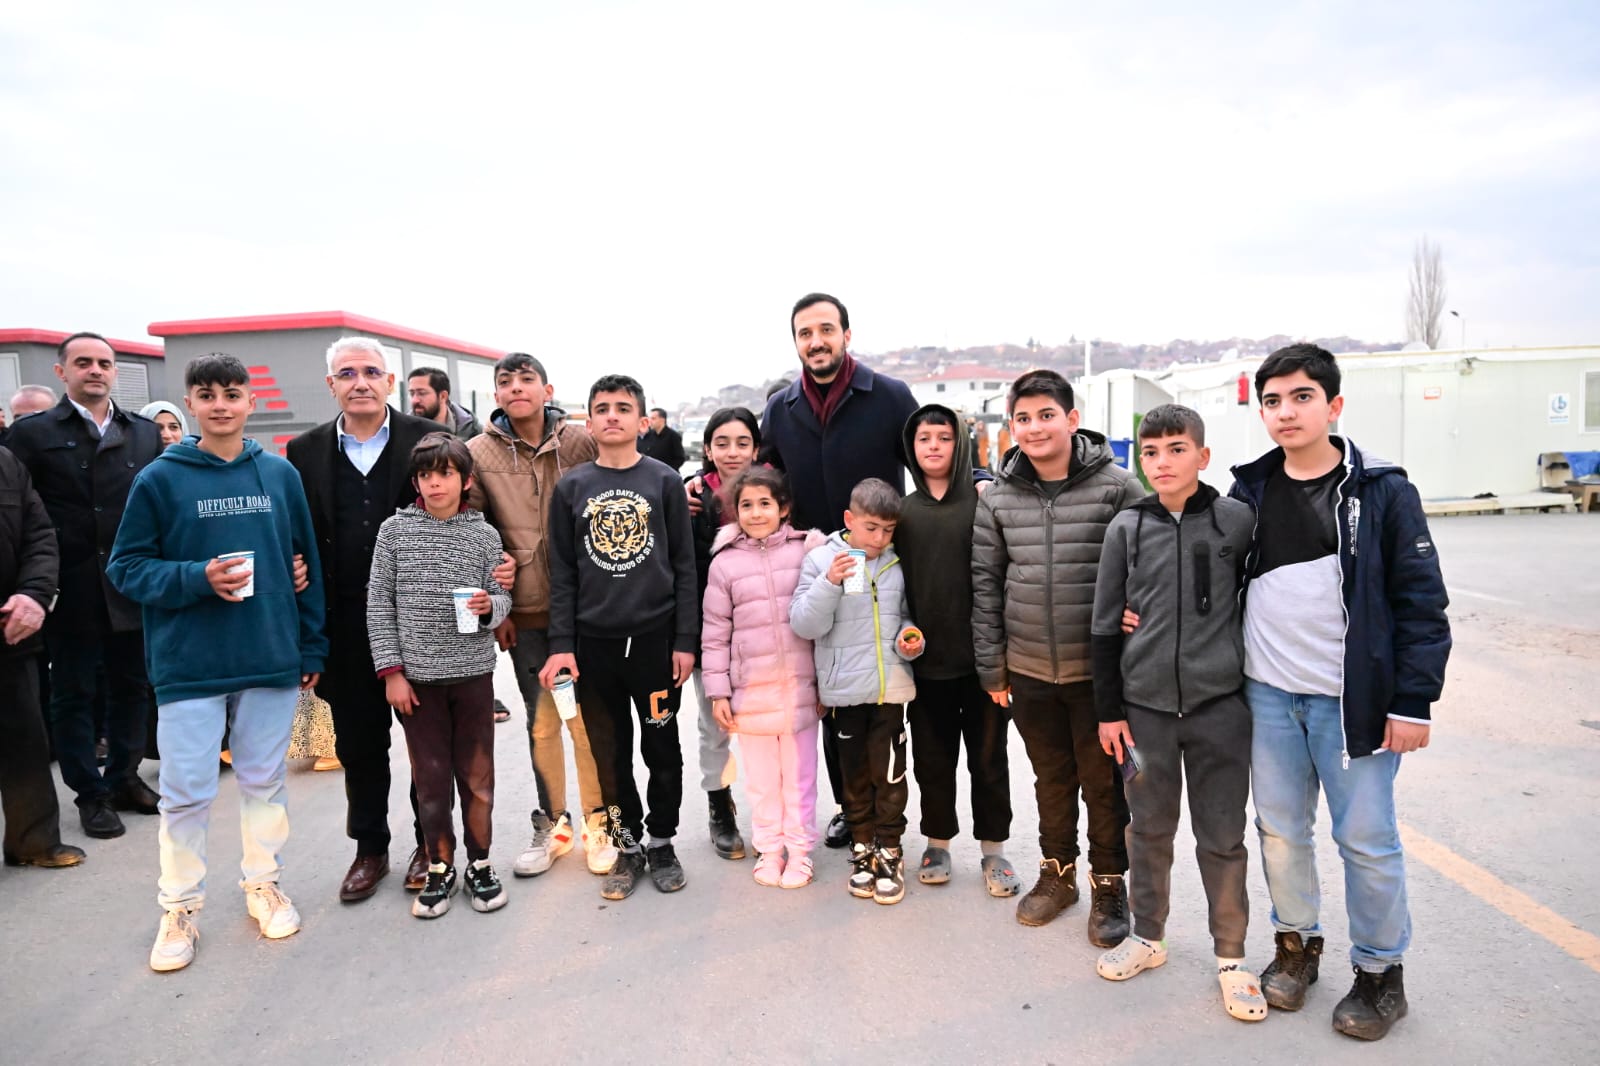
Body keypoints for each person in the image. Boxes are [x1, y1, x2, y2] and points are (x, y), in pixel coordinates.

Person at [1227, 344, 1450, 1040]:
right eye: (1272, 400)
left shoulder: (1382, 491)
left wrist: (1413, 702)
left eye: (1300, 397)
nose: (1285, 412)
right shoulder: (1249, 492)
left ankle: (1381, 974)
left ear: (1334, 406)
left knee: (1367, 840)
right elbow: (1210, 575)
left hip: (1353, 704)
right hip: (1269, 696)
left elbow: (1421, 603)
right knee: (1281, 835)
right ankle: (1296, 949)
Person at [107, 353, 326, 973]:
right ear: (191, 403)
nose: (222, 404)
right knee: (186, 794)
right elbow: (125, 568)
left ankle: (263, 882)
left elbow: (305, 565)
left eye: (233, 393)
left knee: (264, 783)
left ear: (250, 402)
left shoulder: (279, 476)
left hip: (268, 657)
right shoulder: (159, 479)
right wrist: (197, 578)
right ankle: (179, 906)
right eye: (207, 394)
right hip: (189, 665)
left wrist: (310, 645)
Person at [287, 336, 509, 902]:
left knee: (428, 752)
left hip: (429, 633)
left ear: (389, 381)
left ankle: (427, 849)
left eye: (371, 371)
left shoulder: (424, 442)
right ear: (330, 384)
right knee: (360, 748)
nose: (359, 381)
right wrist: (291, 565)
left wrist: (500, 574)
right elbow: (296, 527)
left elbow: (473, 513)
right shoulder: (305, 450)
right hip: (344, 625)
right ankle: (369, 849)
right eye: (346, 373)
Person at [1089, 404, 1264, 1022]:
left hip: (1220, 709)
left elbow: (1263, 597)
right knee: (1148, 830)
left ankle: (1232, 959)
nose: (1163, 463)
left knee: (1223, 836)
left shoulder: (1237, 521)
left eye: (1177, 449)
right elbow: (1104, 625)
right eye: (1152, 452)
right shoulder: (1126, 529)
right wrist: (1110, 713)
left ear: (1203, 456)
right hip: (1145, 714)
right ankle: (1148, 936)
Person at [971, 368, 1142, 944]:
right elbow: (986, 585)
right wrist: (993, 666)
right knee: (1050, 778)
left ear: (1072, 419)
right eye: (1023, 417)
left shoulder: (1117, 487)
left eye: (1047, 415)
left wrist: (1136, 610)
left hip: (1099, 672)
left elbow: (1151, 559)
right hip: (1028, 668)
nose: (1035, 427)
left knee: (1103, 783)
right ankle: (1058, 873)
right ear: (1011, 426)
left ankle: (1109, 883)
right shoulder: (997, 497)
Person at [758, 292, 919, 850]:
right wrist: (704, 487)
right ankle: (853, 811)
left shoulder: (890, 396)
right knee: (833, 696)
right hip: (822, 571)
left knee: (886, 697)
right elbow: (766, 482)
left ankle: (889, 814)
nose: (816, 341)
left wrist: (978, 482)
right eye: (805, 333)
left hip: (882, 565)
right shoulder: (780, 409)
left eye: (826, 329)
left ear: (847, 335)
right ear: (796, 342)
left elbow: (930, 457)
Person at [539, 374, 698, 901]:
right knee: (609, 755)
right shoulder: (573, 488)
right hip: (594, 648)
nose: (612, 415)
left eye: (623, 407)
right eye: (602, 408)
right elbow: (561, 572)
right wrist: (562, 643)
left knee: (662, 749)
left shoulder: (663, 481)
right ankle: (628, 845)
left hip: (654, 644)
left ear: (642, 420)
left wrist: (685, 639)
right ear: (588, 421)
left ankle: (662, 840)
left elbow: (683, 565)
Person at [464, 352, 614, 880]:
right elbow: (475, 534)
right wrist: (496, 607)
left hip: (589, 606)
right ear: (497, 395)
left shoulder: (579, 441)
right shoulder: (477, 452)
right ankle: (553, 823)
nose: (515, 388)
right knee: (543, 722)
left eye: (526, 379)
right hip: (525, 609)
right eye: (505, 381)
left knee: (588, 723)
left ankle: (602, 824)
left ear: (546, 389)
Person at [7, 332, 163, 839]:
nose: (95, 370)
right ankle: (90, 794)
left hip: (129, 582)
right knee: (73, 693)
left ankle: (123, 778)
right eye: (83, 362)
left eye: (104, 363)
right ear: (62, 372)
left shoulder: (141, 432)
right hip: (69, 584)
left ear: (115, 371)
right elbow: (19, 511)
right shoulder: (33, 434)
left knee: (132, 687)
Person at [368, 433, 512, 918]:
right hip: (418, 682)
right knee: (430, 780)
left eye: (446, 473)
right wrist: (392, 673)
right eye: (426, 475)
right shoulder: (394, 532)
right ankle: (439, 865)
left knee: (477, 778)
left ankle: (481, 862)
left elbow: (502, 596)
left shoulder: (484, 534)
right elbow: (378, 605)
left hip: (473, 676)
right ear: (416, 482)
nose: (435, 483)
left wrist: (491, 606)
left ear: (465, 480)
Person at [896, 404, 1018, 896]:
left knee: (989, 760)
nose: (932, 446)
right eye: (923, 438)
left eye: (943, 438)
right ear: (911, 448)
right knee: (932, 760)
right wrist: (904, 630)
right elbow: (893, 586)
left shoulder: (985, 501)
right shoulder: (903, 513)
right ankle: (937, 842)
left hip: (984, 663)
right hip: (926, 665)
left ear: (960, 443)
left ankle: (995, 851)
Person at [790, 477, 922, 905]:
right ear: (849, 520)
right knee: (854, 778)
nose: (880, 539)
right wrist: (829, 581)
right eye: (871, 528)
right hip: (844, 694)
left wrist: (911, 638)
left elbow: (904, 617)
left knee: (890, 775)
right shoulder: (821, 559)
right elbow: (805, 625)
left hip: (889, 689)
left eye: (888, 530)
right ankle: (862, 846)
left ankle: (890, 848)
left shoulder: (896, 563)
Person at [700, 467, 824, 888]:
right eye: (746, 505)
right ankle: (769, 849)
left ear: (783, 508)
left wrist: (826, 683)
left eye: (765, 504)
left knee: (800, 779)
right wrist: (718, 691)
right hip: (749, 696)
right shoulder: (724, 563)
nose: (755, 513)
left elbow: (827, 621)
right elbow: (715, 634)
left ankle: (801, 851)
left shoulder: (807, 551)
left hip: (801, 692)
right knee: (763, 784)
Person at [0, 443, 84, 870]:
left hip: (11, 630)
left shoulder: (6, 463)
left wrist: (33, 595)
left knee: (24, 741)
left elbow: (39, 536)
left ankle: (32, 841)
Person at [685, 406, 761, 861]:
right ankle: (720, 805)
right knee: (713, 723)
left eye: (742, 443)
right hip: (710, 631)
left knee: (767, 726)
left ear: (756, 447)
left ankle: (777, 813)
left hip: (763, 632)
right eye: (722, 443)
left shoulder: (774, 493)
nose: (732, 452)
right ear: (708, 449)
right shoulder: (692, 498)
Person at [406, 367, 482, 441]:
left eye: (422, 393)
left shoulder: (472, 431)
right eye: (412, 394)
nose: (414, 400)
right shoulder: (403, 430)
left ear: (443, 396)